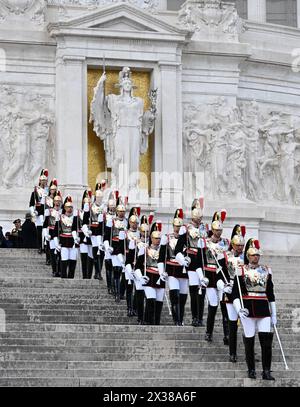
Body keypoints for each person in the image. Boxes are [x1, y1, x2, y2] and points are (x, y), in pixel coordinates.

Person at [232, 238, 277, 380]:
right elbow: (235, 292)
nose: (256, 257)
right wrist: (239, 309)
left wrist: (274, 314)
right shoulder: (241, 270)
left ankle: (266, 371)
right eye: (253, 255)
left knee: (266, 341)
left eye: (257, 255)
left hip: (263, 308)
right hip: (248, 308)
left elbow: (270, 293)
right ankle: (251, 369)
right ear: (247, 256)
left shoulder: (266, 270)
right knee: (249, 340)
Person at [174, 199, 206, 327]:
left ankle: (200, 317)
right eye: (197, 218)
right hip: (192, 261)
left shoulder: (205, 228)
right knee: (194, 291)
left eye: (200, 217)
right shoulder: (185, 229)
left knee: (202, 292)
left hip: (203, 261)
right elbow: (177, 249)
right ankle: (194, 317)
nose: (199, 220)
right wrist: (183, 260)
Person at [199, 210, 230, 343]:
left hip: (222, 276)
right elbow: (199, 261)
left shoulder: (226, 242)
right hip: (210, 275)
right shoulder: (205, 242)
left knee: (224, 305)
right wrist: (201, 277)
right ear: (212, 229)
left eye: (220, 230)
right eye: (216, 230)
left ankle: (227, 334)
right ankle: (208, 332)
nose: (218, 232)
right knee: (213, 304)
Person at [217, 224, 246, 362]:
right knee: (232, 323)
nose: (240, 247)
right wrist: (223, 286)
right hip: (230, 290)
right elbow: (218, 276)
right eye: (238, 245)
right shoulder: (225, 256)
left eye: (242, 245)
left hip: (243, 292)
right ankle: (232, 353)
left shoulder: (247, 258)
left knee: (246, 324)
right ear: (233, 245)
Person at [158, 209, 188, 326]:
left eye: (179, 226)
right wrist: (162, 271)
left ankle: (181, 318)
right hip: (172, 270)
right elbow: (161, 257)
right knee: (175, 295)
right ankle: (177, 320)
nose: (177, 228)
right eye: (176, 226)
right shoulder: (167, 237)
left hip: (183, 270)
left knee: (183, 298)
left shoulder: (187, 239)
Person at [135, 221, 164, 325]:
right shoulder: (145, 249)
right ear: (151, 238)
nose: (158, 240)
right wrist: (140, 277)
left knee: (159, 303)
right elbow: (137, 266)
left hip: (159, 278)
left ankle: (156, 323)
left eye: (159, 238)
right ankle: (147, 321)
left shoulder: (163, 251)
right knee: (151, 299)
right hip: (148, 276)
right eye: (156, 238)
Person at [103, 196, 127, 302]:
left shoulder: (127, 222)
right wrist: (108, 246)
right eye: (120, 211)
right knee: (116, 270)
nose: (121, 213)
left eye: (123, 211)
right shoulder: (111, 221)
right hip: (115, 248)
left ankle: (121, 292)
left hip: (125, 249)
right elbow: (106, 236)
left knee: (123, 272)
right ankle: (116, 292)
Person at [53, 196, 79, 279]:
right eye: (68, 207)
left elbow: (76, 229)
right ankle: (63, 277)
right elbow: (56, 232)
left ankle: (71, 277)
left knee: (72, 260)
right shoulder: (60, 217)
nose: (69, 209)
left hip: (72, 242)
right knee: (64, 259)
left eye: (71, 207)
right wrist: (56, 243)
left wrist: (76, 238)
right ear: (64, 208)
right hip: (63, 241)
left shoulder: (75, 218)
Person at [29, 168, 49, 254]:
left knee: (46, 231)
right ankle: (40, 247)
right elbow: (31, 204)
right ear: (39, 181)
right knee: (40, 231)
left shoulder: (49, 191)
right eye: (42, 180)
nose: (44, 182)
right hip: (38, 213)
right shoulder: (35, 191)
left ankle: (45, 246)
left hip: (47, 213)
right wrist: (33, 212)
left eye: (45, 180)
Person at [43, 193, 63, 277]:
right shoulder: (50, 211)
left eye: (59, 201)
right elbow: (45, 225)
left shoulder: (63, 212)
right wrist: (46, 234)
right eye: (56, 201)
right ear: (53, 202)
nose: (57, 203)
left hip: (61, 235)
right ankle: (54, 270)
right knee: (53, 254)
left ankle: (60, 270)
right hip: (51, 234)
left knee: (60, 254)